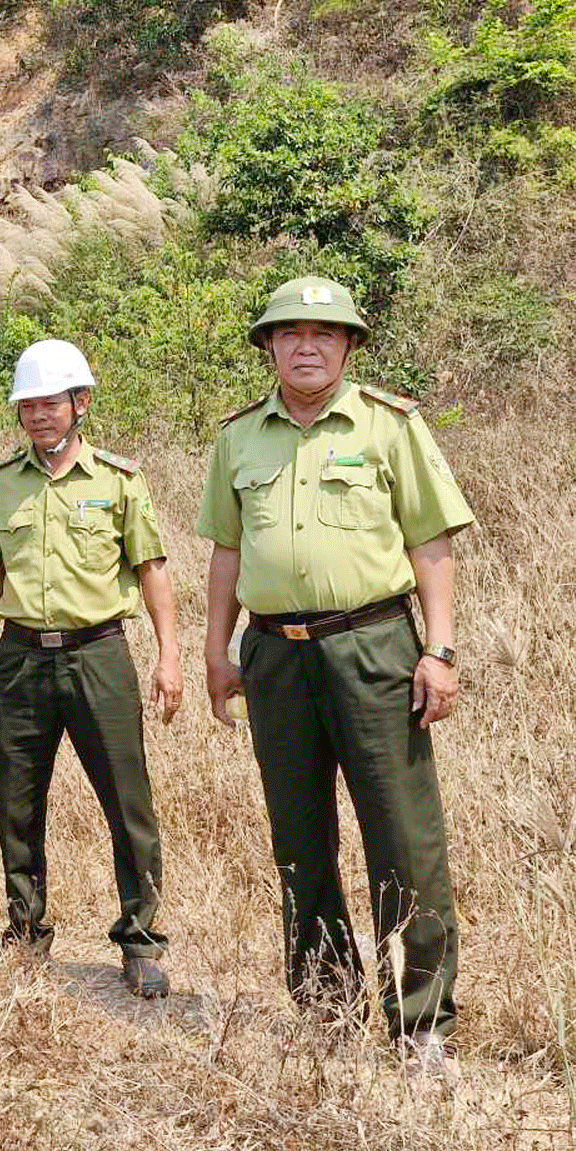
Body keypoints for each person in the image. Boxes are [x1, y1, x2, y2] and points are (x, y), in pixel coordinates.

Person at [198, 276, 473, 1072]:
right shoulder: (239, 439)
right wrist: (218, 653)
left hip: (375, 646)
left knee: (403, 833)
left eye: (324, 333)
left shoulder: (390, 427)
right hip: (275, 655)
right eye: (289, 334)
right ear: (269, 349)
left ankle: (420, 1022)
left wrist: (441, 649)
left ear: (350, 345)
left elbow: (431, 544)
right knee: (298, 838)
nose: (306, 346)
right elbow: (225, 550)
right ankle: (325, 1005)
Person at [0, 340, 184, 999]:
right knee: (16, 801)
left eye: (50, 403)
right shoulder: (1, 482)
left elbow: (152, 570)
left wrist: (169, 654)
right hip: (21, 656)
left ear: (80, 403)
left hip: (99, 654)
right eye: (27, 405)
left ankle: (140, 941)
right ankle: (26, 934)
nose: (38, 416)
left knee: (127, 801)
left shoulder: (118, 480)